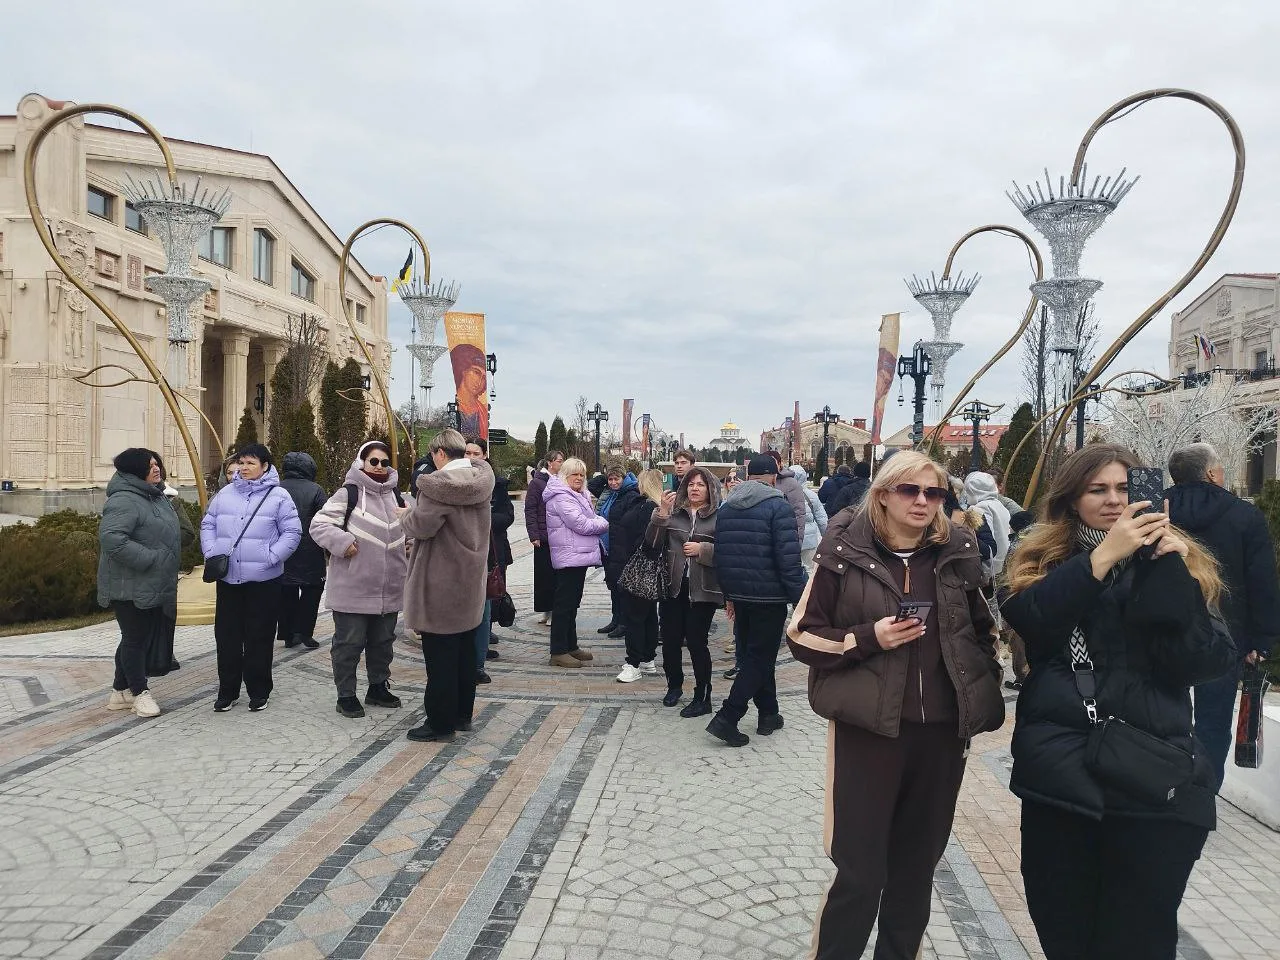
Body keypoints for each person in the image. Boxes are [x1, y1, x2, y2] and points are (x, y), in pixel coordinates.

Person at [1001, 444, 1234, 960]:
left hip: (1154, 779)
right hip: (1064, 776)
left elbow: (1204, 662)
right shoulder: (1041, 561)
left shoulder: (1179, 561)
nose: (1114, 500)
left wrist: (1172, 573)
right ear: (1072, 500)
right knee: (1066, 935)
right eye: (1098, 489)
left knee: (1141, 940)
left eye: (1126, 488)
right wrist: (1103, 557)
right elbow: (1034, 622)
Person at [787, 450, 1005, 960]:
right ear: (883, 494)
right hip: (870, 733)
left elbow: (983, 632)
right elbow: (801, 636)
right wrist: (868, 638)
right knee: (861, 873)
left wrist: (982, 684)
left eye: (934, 492)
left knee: (915, 872)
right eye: (910, 490)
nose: (923, 501)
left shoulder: (956, 553)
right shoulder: (845, 551)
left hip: (942, 736)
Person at [1166, 441, 1280, 788]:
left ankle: (1161, 787)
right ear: (1212, 473)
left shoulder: (1156, 510)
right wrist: (1262, 640)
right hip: (1226, 635)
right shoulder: (1244, 516)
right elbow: (1262, 581)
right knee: (1213, 724)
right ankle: (1202, 794)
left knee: (1159, 713)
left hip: (1162, 629)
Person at [402, 429, 494, 741]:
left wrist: (405, 515)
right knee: (465, 653)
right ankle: (461, 716)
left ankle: (440, 724)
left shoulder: (438, 486)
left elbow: (421, 526)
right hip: (470, 580)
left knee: (440, 657)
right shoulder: (479, 480)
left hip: (440, 582)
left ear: (440, 453)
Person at [708, 454, 806, 746]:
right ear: (774, 477)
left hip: (739, 594)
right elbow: (788, 560)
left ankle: (768, 714)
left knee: (758, 655)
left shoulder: (728, 507)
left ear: (749, 476)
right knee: (759, 657)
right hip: (769, 596)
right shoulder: (779, 506)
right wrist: (801, 600)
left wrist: (728, 595)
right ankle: (728, 716)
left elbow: (720, 555)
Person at [308, 441, 408, 719]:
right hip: (353, 589)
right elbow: (318, 525)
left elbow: (407, 529)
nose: (379, 466)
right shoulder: (348, 493)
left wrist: (409, 543)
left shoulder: (397, 495)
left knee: (383, 642)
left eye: (384, 462)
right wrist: (342, 542)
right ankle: (346, 695)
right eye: (373, 461)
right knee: (348, 644)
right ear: (361, 462)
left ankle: (377, 687)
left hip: (389, 589)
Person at [200, 443, 302, 712]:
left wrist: (271, 557)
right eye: (242, 463)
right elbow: (208, 524)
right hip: (228, 579)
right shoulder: (225, 493)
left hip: (264, 581)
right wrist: (211, 551)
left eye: (250, 463)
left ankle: (259, 691)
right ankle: (228, 691)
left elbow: (292, 533)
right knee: (227, 637)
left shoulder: (279, 496)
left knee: (259, 637)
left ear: (265, 466)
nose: (244, 468)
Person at [98, 448, 183, 719]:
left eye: (157, 463)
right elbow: (112, 539)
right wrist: (150, 559)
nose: (156, 468)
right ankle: (139, 693)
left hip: (151, 580)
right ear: (135, 470)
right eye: (150, 465)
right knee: (135, 638)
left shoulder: (155, 496)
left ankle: (120, 691)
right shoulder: (124, 499)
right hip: (129, 584)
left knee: (135, 637)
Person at [648, 466, 724, 714]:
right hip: (673, 587)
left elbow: (730, 552)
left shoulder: (720, 517)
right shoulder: (674, 513)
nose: (695, 488)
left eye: (700, 484)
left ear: (710, 489)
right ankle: (674, 686)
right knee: (670, 641)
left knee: (696, 642)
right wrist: (661, 513)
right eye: (691, 484)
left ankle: (703, 695)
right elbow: (651, 543)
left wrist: (704, 550)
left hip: (703, 590)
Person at [543, 457, 609, 668]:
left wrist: (595, 520)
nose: (579, 478)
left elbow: (588, 519)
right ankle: (558, 651)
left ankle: (570, 646)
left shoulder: (577, 494)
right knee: (564, 605)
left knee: (572, 604)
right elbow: (581, 524)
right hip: (569, 556)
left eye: (582, 474)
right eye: (575, 474)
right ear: (565, 476)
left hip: (577, 555)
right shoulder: (563, 497)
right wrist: (603, 523)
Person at [467, 437, 514, 685]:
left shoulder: (498, 484)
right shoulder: (455, 481)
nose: (471, 457)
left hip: (492, 551)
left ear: (484, 455)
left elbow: (507, 516)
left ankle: (479, 659)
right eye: (467, 453)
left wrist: (483, 520)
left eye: (476, 453)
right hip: (465, 555)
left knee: (487, 606)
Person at [610, 469, 664, 682]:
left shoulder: (647, 507)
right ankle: (648, 658)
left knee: (634, 617)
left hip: (636, 567)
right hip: (644, 567)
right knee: (648, 615)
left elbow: (641, 539)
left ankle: (634, 663)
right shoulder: (652, 506)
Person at [277, 451, 328, 649]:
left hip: (283, 549)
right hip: (311, 550)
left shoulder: (276, 489)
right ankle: (305, 633)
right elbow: (326, 520)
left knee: (286, 592)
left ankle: (288, 634)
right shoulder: (316, 490)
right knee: (312, 592)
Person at [525, 451, 564, 625]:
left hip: (559, 536)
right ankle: (546, 610)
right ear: (550, 462)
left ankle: (555, 610)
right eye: (559, 461)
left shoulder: (562, 480)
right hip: (543, 537)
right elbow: (530, 509)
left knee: (557, 576)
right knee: (544, 576)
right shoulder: (537, 482)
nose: (562, 463)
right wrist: (533, 534)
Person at [1001, 509, 1036, 690]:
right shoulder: (1044, 538)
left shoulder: (1019, 542)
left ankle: (1022, 677)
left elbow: (1010, 571)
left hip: (1019, 593)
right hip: (1036, 597)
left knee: (1018, 639)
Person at [595, 465, 631, 639]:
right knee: (612, 585)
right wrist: (605, 475)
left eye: (617, 479)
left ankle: (624, 622)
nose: (613, 482)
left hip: (620, 548)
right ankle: (615, 619)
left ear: (624, 478)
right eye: (610, 479)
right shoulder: (609, 494)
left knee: (621, 587)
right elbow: (592, 485)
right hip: (607, 547)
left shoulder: (628, 494)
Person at [963, 471, 1011, 576]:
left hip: (987, 570)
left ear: (973, 490)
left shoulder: (978, 509)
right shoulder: (1000, 506)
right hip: (1003, 566)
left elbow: (980, 542)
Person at [789, 465, 829, 566]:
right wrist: (827, 538)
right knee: (811, 568)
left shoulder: (783, 493)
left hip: (790, 539)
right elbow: (822, 519)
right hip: (809, 541)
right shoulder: (811, 495)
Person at [767, 450, 808, 546]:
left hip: (783, 539)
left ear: (780, 464)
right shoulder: (759, 482)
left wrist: (797, 543)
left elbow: (798, 514)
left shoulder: (791, 484)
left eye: (773, 463)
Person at [450, 344, 490, 439]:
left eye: (483, 378)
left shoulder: (482, 411)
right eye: (476, 372)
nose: (479, 381)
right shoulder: (451, 408)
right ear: (463, 370)